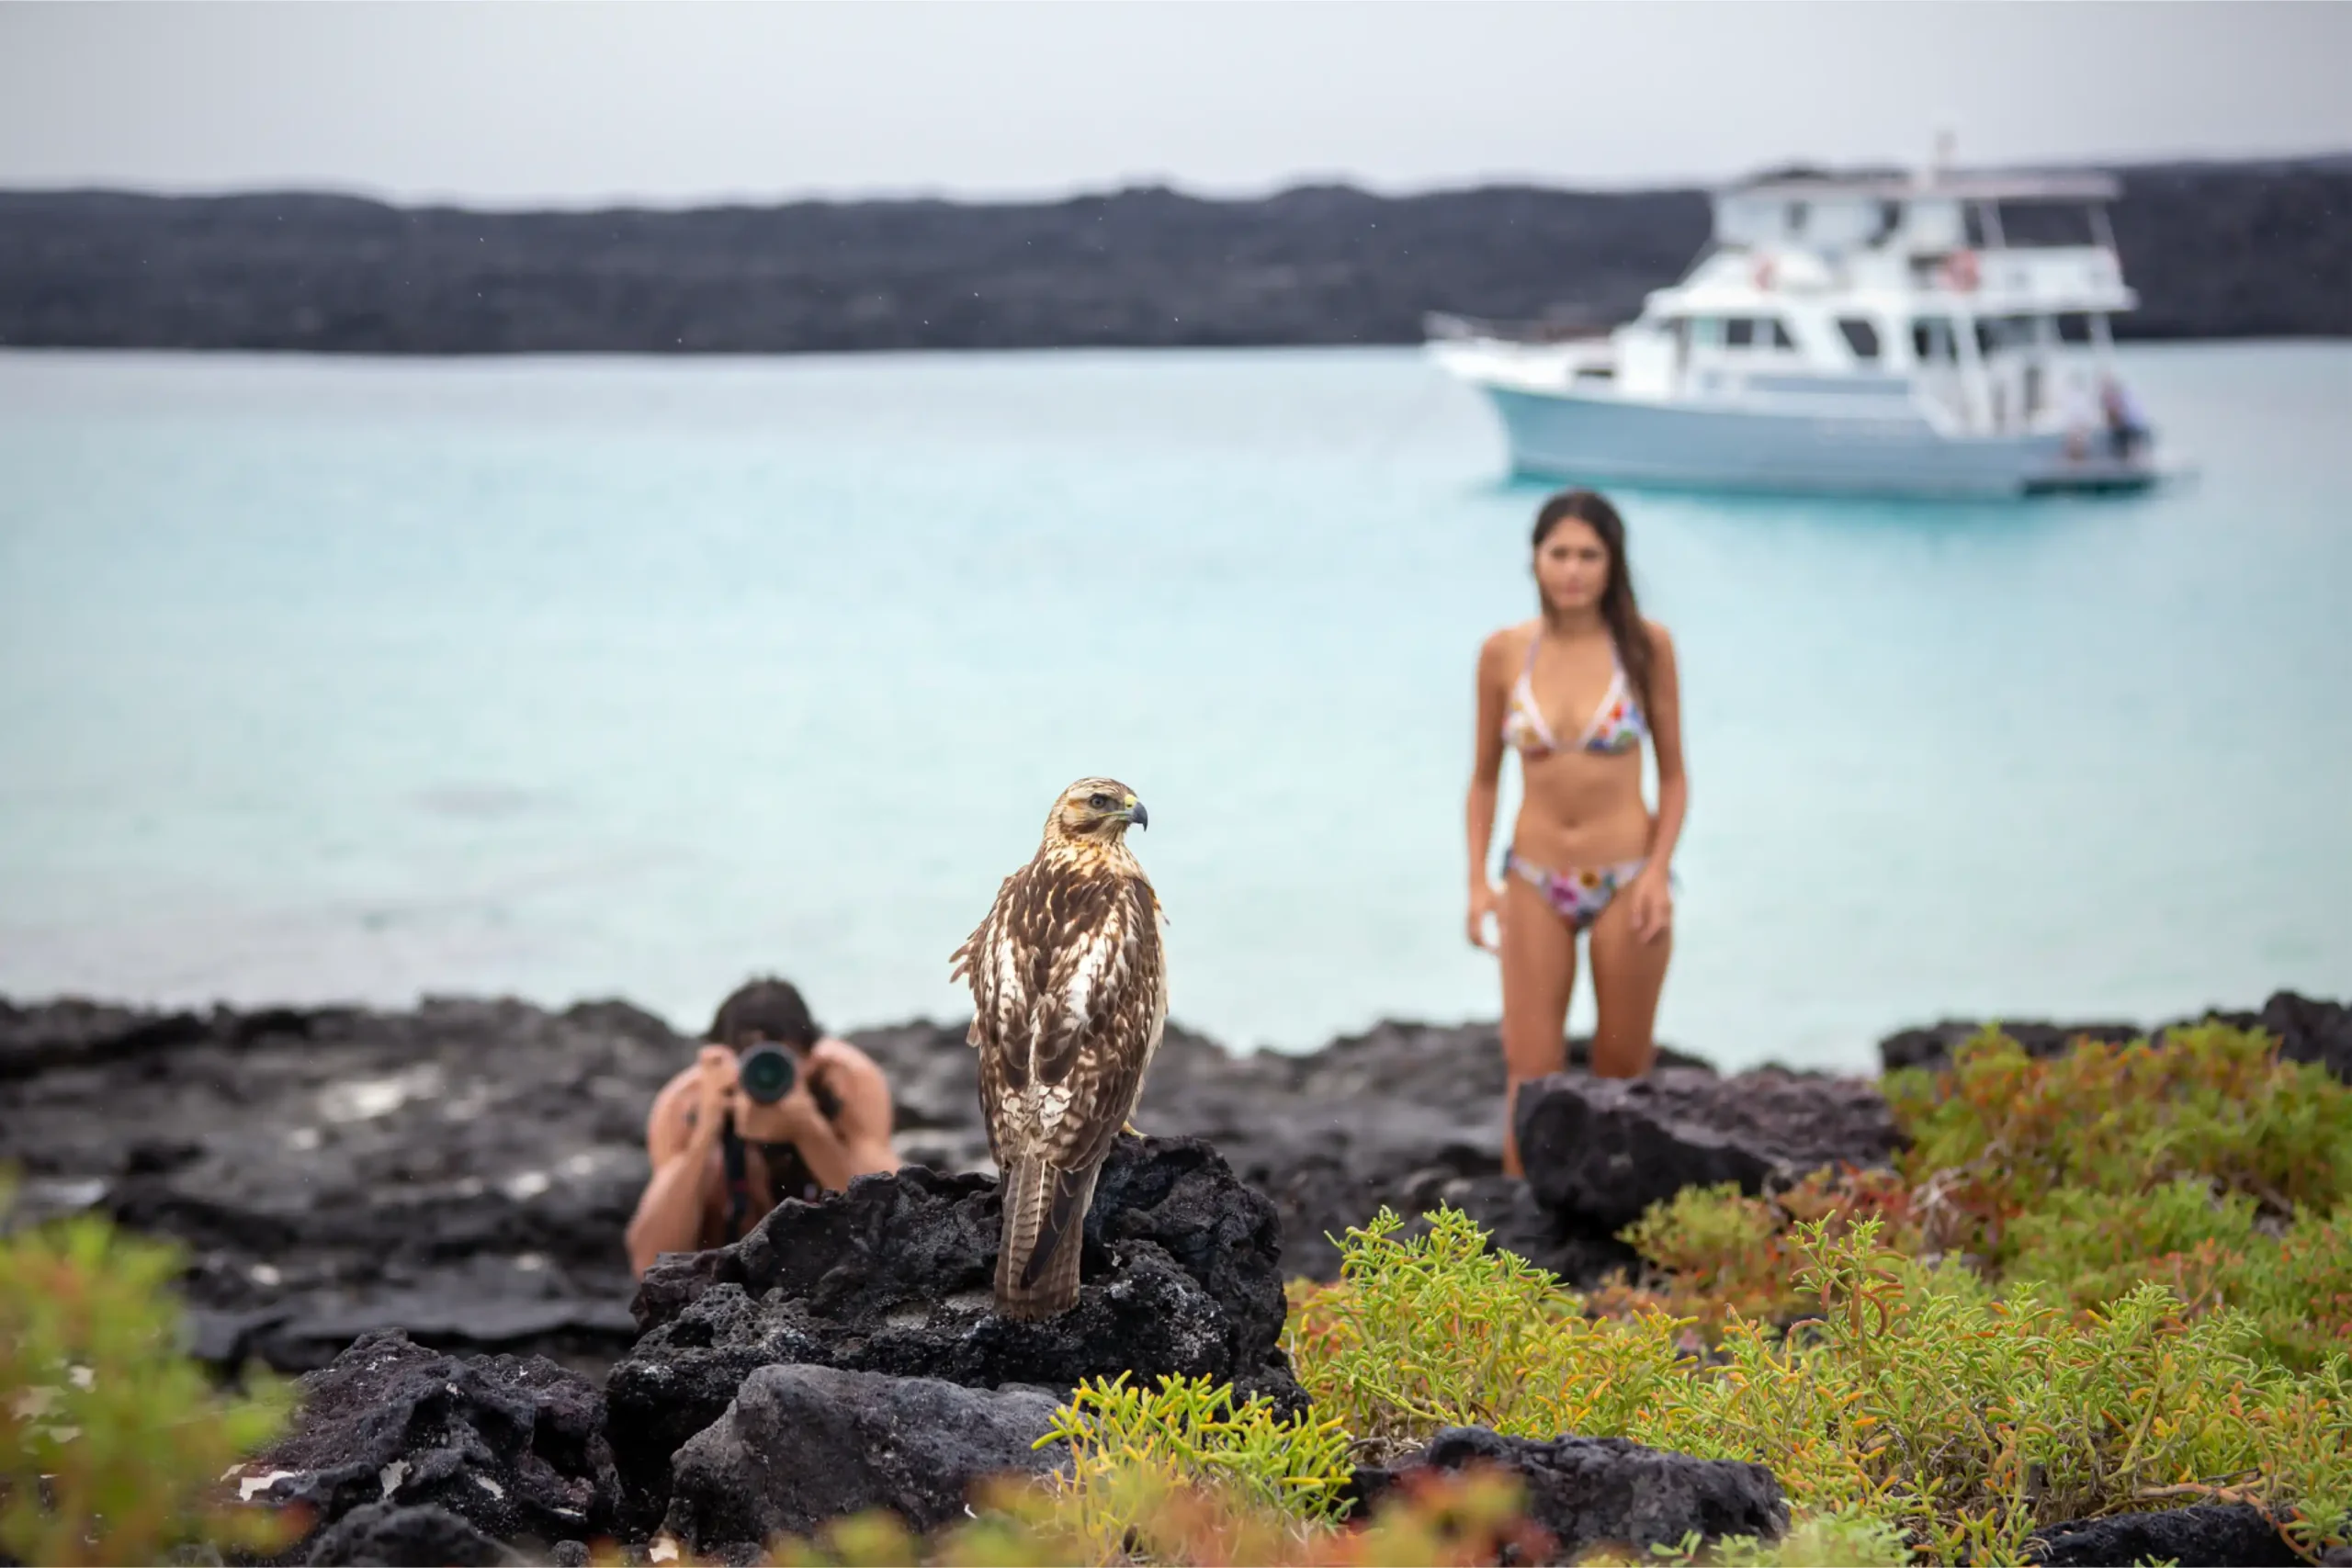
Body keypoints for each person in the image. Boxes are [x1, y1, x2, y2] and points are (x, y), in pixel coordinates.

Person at [1465, 489, 1690, 1176]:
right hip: (1532, 878)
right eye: (1558, 552)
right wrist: (1478, 883)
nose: (1572, 569)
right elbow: (1483, 780)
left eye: (1588, 554)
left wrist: (1657, 873)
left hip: (1628, 881)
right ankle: (1512, 1246)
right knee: (1530, 1081)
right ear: (1535, 558)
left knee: (1622, 1076)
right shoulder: (1504, 654)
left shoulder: (1647, 647)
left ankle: (1615, 1241)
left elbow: (1675, 777)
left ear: (1612, 562)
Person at [625, 977, 899, 1278]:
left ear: (813, 1058)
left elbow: (896, 1223)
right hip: (724, 1279)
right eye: (751, 1061)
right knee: (712, 1167)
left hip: (835, 1269)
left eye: (782, 1059)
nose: (766, 1075)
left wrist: (810, 1132)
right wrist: (704, 1136)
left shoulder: (848, 1083)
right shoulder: (685, 1102)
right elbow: (649, 1264)